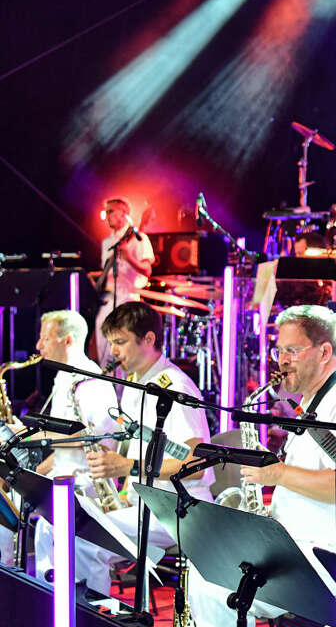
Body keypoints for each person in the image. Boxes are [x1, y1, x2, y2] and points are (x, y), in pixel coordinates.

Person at [202, 305, 336, 627]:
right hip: (296, 547)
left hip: (329, 556)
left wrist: (277, 475)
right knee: (210, 567)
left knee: (215, 585)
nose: (281, 360)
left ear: (324, 352)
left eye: (291, 351)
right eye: (278, 350)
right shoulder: (311, 405)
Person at [83, 302, 213, 594]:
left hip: (180, 508)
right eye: (111, 343)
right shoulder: (137, 383)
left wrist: (128, 467)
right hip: (151, 504)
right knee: (75, 527)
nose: (113, 352)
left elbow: (196, 467)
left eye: (120, 342)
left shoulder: (173, 387)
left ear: (149, 339)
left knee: (85, 539)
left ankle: (92, 622)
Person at [27, 311, 120, 595]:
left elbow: (98, 440)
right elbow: (65, 445)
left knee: (83, 565)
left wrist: (41, 437)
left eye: (44, 338)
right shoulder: (63, 377)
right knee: (46, 543)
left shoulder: (90, 382)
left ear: (66, 340)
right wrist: (35, 473)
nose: (38, 347)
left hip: (88, 489)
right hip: (65, 481)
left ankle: (92, 618)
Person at [93, 198, 154, 365]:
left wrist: (129, 258)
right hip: (107, 299)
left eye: (111, 211)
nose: (107, 216)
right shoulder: (107, 242)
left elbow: (147, 270)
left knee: (123, 348)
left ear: (124, 213)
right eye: (106, 212)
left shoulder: (139, 238)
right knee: (104, 346)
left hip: (127, 297)